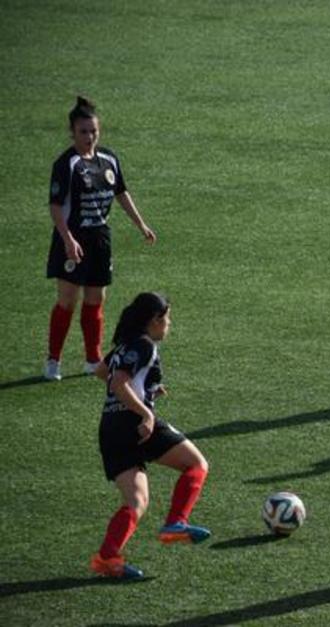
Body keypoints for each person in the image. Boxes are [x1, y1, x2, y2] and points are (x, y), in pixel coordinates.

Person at [89, 292, 210, 580]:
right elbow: (118, 382)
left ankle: (107, 559)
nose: (169, 324)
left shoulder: (125, 345)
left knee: (136, 501)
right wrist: (145, 412)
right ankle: (176, 523)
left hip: (110, 428)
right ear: (155, 320)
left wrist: (146, 392)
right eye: (167, 319)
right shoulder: (143, 345)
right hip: (135, 424)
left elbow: (102, 371)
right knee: (196, 465)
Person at [44, 96, 156, 381]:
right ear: (72, 132)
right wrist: (68, 240)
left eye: (93, 131)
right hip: (72, 239)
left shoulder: (108, 159)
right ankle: (53, 361)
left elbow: (121, 192)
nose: (89, 137)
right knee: (67, 300)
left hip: (100, 240)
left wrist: (141, 224)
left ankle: (92, 360)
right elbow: (56, 206)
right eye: (83, 131)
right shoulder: (66, 164)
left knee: (95, 299)